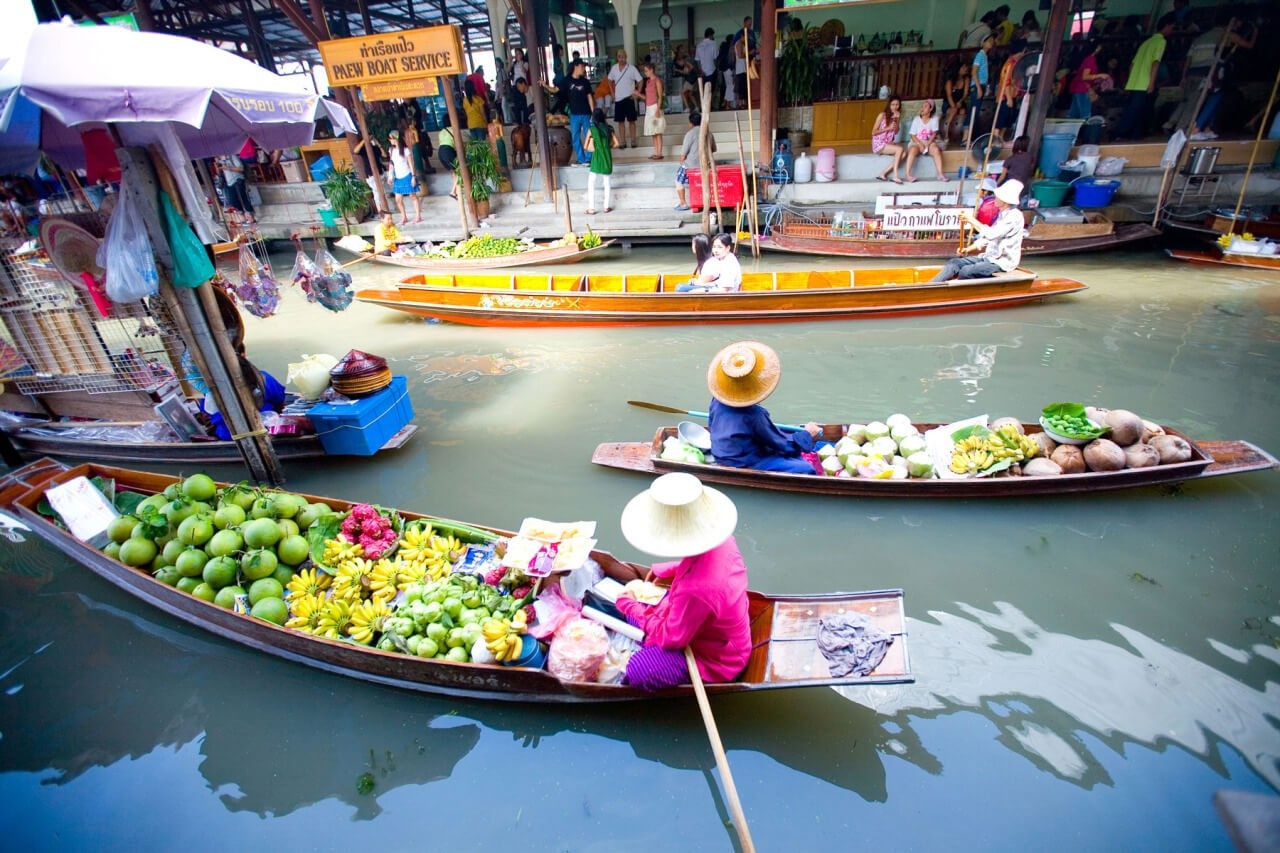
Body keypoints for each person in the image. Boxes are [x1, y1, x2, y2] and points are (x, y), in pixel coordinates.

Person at [614, 472, 751, 691]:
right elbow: (700, 563)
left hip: (718, 658)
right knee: (637, 608)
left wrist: (631, 606)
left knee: (639, 669)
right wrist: (666, 569)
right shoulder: (723, 540)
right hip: (720, 627)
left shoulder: (695, 590)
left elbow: (672, 638)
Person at [705, 340, 822, 473]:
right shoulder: (754, 415)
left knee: (788, 440)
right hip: (744, 461)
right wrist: (807, 434)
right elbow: (781, 444)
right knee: (806, 468)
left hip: (721, 452)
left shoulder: (718, 399)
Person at [930, 180, 1025, 281]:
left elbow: (991, 235)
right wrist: (969, 248)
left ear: (1005, 200)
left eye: (998, 196)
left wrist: (971, 220)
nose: (995, 198)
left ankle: (959, 292)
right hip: (988, 257)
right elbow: (986, 239)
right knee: (954, 262)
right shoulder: (1002, 214)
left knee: (966, 271)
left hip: (1002, 262)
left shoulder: (1014, 216)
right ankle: (930, 286)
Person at [1112, 14, 1176, 141]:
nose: (1172, 30)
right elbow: (1155, 62)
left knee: (1138, 110)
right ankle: (1117, 133)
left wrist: (1130, 81)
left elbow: (1132, 65)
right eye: (1172, 27)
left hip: (1135, 82)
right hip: (1144, 82)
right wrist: (1151, 82)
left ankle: (1134, 135)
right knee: (1134, 111)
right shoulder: (1160, 41)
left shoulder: (1146, 42)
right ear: (1167, 26)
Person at [674, 110, 716, 211]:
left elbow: (683, 155)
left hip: (692, 165)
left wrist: (681, 162)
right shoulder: (709, 133)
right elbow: (714, 149)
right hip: (706, 164)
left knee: (678, 180)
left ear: (691, 123)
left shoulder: (690, 134)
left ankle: (683, 203)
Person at [992, 40, 1028, 146]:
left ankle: (1000, 138)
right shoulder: (1010, 64)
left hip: (1012, 94)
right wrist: (1008, 98)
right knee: (1001, 117)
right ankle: (995, 139)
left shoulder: (1015, 63)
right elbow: (1006, 83)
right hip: (1005, 96)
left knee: (1007, 118)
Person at [583, 108, 618, 215]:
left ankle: (591, 208)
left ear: (593, 118)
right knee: (607, 182)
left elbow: (585, 146)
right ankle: (606, 207)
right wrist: (607, 147)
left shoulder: (591, 130)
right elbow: (617, 144)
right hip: (607, 157)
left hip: (596, 158)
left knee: (591, 182)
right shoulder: (609, 129)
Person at [904, 99, 948, 183]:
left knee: (936, 150)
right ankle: (907, 174)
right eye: (922, 106)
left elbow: (934, 134)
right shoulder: (917, 119)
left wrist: (928, 144)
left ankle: (940, 174)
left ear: (931, 109)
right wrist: (919, 144)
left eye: (925, 106)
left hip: (929, 141)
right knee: (912, 150)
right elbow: (912, 135)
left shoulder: (934, 119)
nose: (922, 108)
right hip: (916, 141)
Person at [607, 50, 644, 149]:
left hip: (629, 98)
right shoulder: (614, 68)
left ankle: (633, 140)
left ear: (626, 57)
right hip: (618, 99)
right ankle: (622, 141)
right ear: (617, 58)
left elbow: (640, 80)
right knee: (620, 122)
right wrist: (612, 92)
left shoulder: (631, 68)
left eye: (623, 57)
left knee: (632, 121)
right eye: (619, 57)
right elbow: (609, 80)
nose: (621, 59)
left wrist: (637, 93)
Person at [385, 129, 421, 225]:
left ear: (396, 139)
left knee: (412, 196)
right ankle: (404, 216)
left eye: (391, 138)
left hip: (407, 175)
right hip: (397, 177)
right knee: (398, 199)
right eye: (389, 139)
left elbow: (411, 164)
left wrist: (413, 176)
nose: (390, 140)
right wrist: (390, 175)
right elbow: (391, 164)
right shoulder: (391, 150)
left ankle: (418, 216)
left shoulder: (405, 150)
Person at [1067, 39, 1110, 119]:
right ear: (1097, 48)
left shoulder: (1086, 58)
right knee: (1085, 115)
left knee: (1073, 115)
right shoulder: (1091, 59)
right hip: (1082, 88)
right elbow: (1085, 76)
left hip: (1077, 87)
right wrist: (1100, 75)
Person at [566, 61, 595, 166]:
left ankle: (588, 158)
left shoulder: (585, 82)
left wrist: (593, 112)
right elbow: (556, 89)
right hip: (574, 114)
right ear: (576, 67)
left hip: (586, 113)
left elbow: (590, 97)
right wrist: (545, 85)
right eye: (582, 66)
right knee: (575, 137)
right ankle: (581, 159)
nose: (584, 69)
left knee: (589, 136)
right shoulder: (567, 80)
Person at [871, 97, 906, 183]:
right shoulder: (882, 115)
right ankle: (895, 176)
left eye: (897, 105)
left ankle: (883, 173)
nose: (895, 107)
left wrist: (898, 118)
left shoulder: (896, 116)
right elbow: (873, 132)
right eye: (893, 104)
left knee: (904, 153)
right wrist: (887, 128)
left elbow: (896, 131)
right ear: (889, 105)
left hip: (887, 143)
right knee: (900, 149)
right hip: (878, 144)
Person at [217, 152, 255, 225]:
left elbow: (241, 168)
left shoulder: (232, 156)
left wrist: (228, 168)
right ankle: (242, 217)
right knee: (232, 200)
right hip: (227, 182)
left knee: (243, 198)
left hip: (237, 179)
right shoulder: (219, 159)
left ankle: (251, 217)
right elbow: (219, 172)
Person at [641, 61, 666, 160]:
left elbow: (660, 96)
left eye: (647, 71)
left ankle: (659, 152)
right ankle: (656, 151)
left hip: (655, 106)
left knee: (658, 131)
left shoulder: (657, 81)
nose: (645, 73)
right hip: (649, 107)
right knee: (653, 131)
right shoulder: (647, 82)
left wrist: (658, 109)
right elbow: (647, 96)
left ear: (651, 70)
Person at [943, 63, 971, 142]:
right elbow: (949, 96)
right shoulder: (950, 81)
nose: (966, 69)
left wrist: (960, 102)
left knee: (963, 111)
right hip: (948, 103)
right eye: (964, 67)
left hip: (960, 102)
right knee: (954, 111)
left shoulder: (966, 79)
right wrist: (954, 106)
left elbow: (965, 94)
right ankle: (946, 132)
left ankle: (959, 135)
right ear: (958, 69)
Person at [695, 28, 718, 105]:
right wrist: (716, 68)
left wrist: (701, 70)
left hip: (703, 72)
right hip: (711, 70)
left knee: (704, 90)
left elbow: (697, 60)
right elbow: (715, 58)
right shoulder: (713, 44)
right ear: (710, 35)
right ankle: (711, 105)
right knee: (711, 90)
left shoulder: (699, 45)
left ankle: (704, 105)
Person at [674, 45, 698, 112]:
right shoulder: (689, 59)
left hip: (690, 79)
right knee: (690, 94)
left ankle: (687, 108)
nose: (678, 62)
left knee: (682, 92)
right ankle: (696, 107)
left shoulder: (686, 61)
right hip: (694, 79)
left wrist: (677, 70)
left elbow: (687, 71)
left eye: (679, 61)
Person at [437, 125, 459, 198]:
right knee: (460, 172)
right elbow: (457, 143)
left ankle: (456, 191)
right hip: (448, 150)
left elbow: (439, 143)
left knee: (453, 171)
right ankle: (453, 191)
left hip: (440, 152)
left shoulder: (441, 132)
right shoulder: (453, 129)